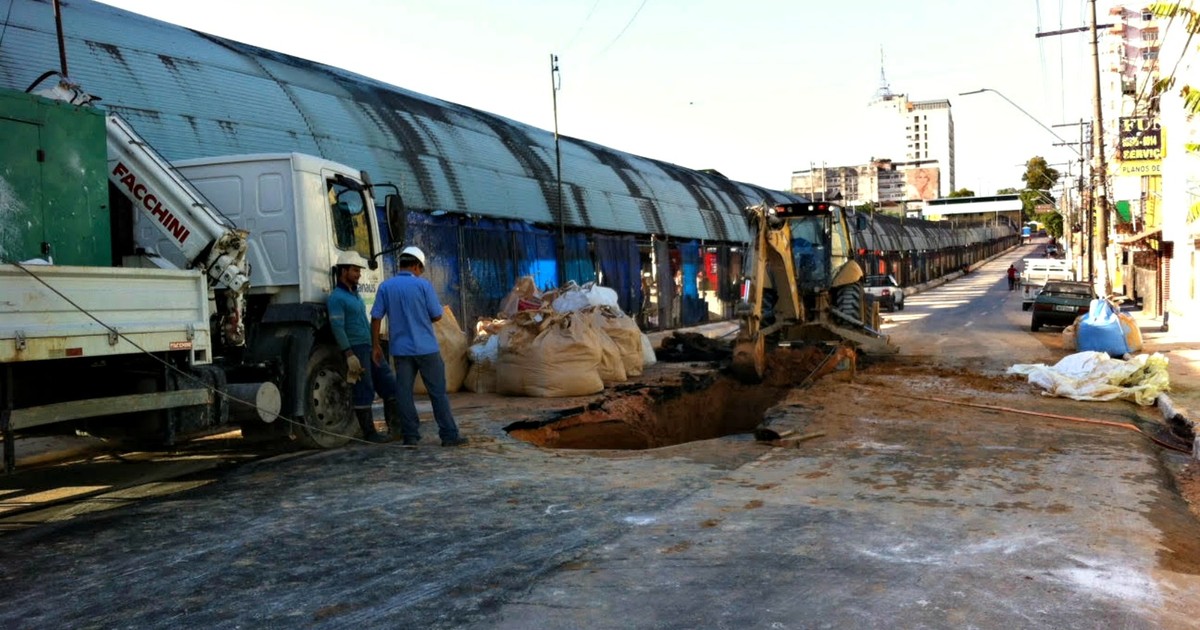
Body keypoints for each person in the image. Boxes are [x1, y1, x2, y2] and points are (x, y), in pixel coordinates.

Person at [371, 246, 468, 447]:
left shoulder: (385, 287)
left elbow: (376, 317)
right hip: (426, 349)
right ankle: (449, 435)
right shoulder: (423, 286)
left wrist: (376, 345)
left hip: (401, 351)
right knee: (437, 393)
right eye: (420, 269)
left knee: (404, 394)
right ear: (416, 266)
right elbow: (437, 314)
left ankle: (410, 437)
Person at [328, 251, 398, 443]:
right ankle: (369, 434)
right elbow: (337, 327)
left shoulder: (355, 295)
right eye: (355, 270)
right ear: (343, 271)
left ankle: (396, 428)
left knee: (389, 384)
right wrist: (349, 354)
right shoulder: (336, 298)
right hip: (356, 348)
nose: (359, 274)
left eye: (359, 270)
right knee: (364, 389)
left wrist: (376, 345)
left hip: (369, 346)